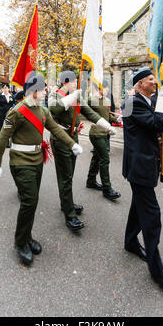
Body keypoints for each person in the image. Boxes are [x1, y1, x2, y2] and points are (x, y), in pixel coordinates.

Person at [0, 74, 83, 266]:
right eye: (43, 90)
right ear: (33, 92)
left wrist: (72, 144)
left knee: (32, 202)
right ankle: (20, 242)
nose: (45, 92)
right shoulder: (16, 112)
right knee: (29, 201)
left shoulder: (42, 110)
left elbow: (56, 130)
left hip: (36, 160)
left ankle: (27, 236)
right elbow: (1, 139)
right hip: (20, 162)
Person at [122, 67, 163, 295]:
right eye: (151, 80)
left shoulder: (140, 100)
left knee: (138, 207)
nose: (156, 83)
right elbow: (158, 124)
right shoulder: (133, 103)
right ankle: (157, 271)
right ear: (140, 85)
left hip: (141, 165)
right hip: (140, 166)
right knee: (152, 217)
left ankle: (130, 242)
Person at [49, 71, 116, 231]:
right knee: (65, 176)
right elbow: (55, 110)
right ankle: (69, 215)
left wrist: (107, 126)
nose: (77, 84)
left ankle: (67, 203)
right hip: (60, 138)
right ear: (66, 82)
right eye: (74, 82)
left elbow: (90, 113)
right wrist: (73, 96)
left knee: (69, 174)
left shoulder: (77, 96)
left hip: (73, 137)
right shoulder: (54, 94)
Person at [86, 82, 121, 200]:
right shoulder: (92, 99)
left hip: (104, 134)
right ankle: (107, 189)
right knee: (105, 159)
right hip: (96, 134)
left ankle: (90, 181)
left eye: (107, 88)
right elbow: (84, 110)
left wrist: (118, 118)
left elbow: (107, 117)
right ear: (98, 89)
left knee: (96, 157)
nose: (106, 90)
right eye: (104, 88)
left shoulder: (106, 100)